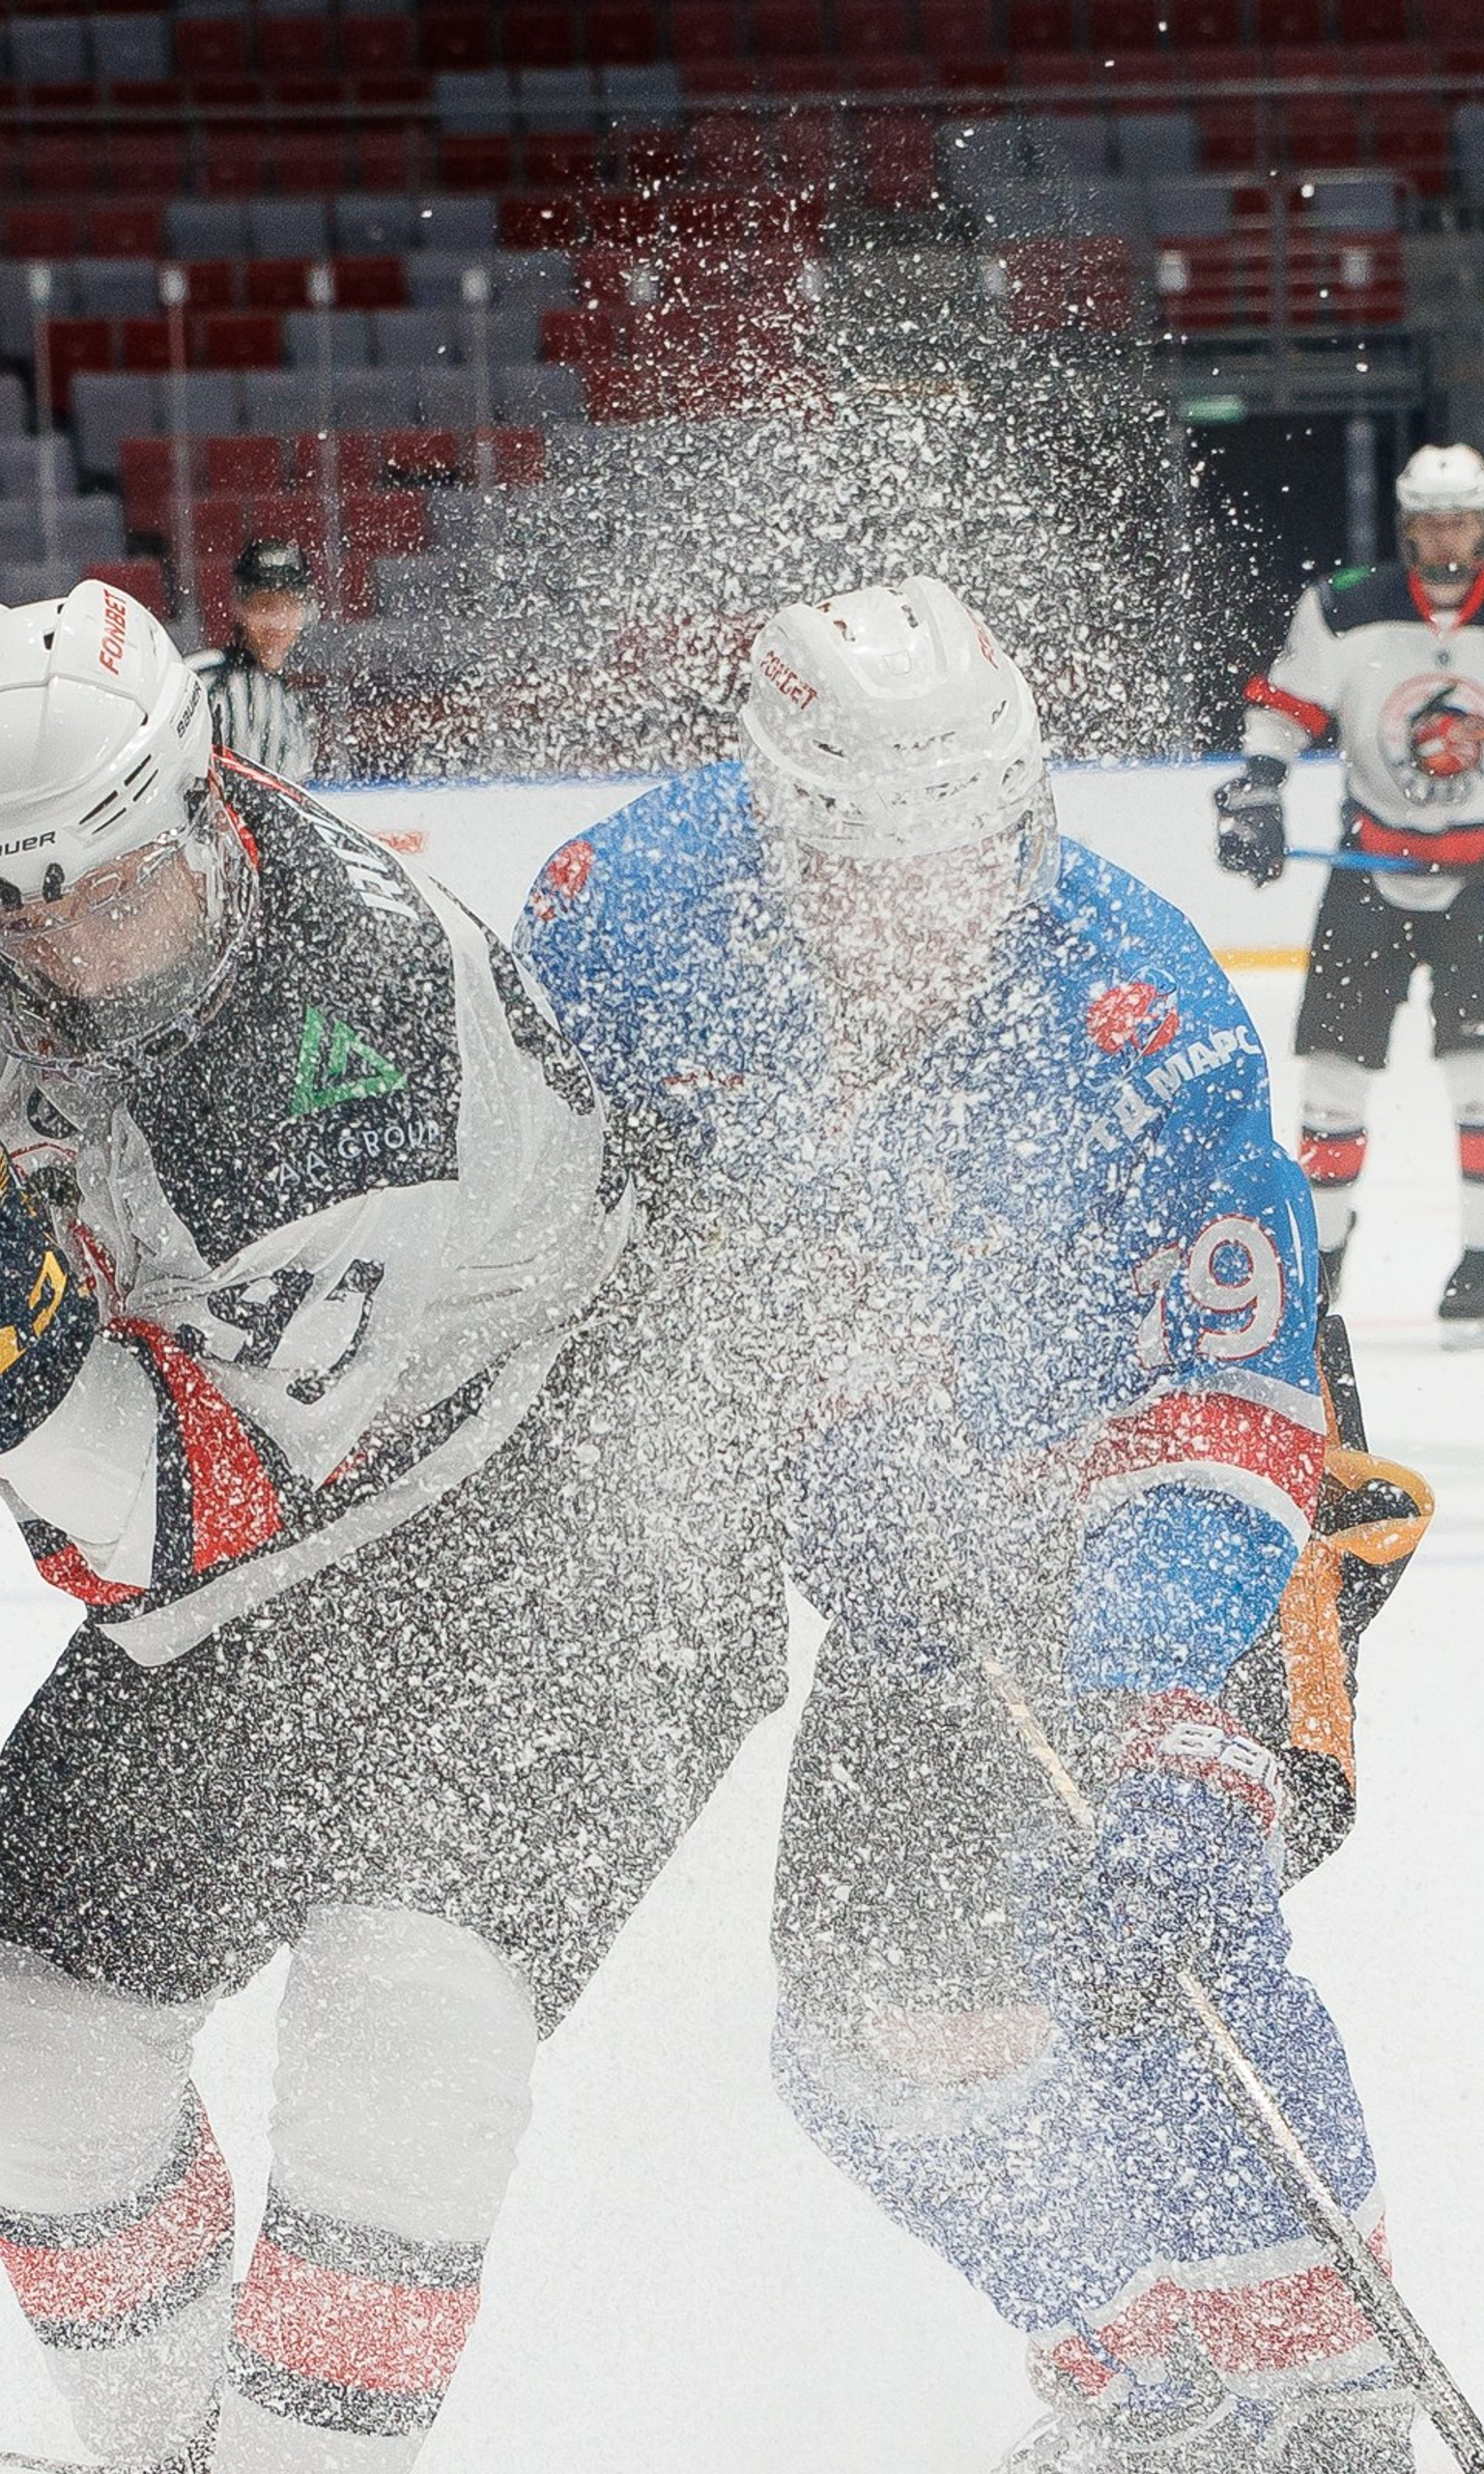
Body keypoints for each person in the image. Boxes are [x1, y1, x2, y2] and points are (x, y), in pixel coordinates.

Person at [0, 577, 774, 2472]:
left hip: (578, 1484)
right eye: (11, 905)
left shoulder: (355, 1037)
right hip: (261, 1486)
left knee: (399, 2014)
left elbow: (178, 1511)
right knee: (20, 2047)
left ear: (193, 806)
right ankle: (171, 2449)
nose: (62, 943)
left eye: (107, 886)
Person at [519, 578, 1422, 2472]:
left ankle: (1332, 2410)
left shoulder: (1137, 1010)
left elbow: (1215, 1397)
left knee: (1154, 1939)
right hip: (900, 1539)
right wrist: (753, 1421)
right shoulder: (619, 921)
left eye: (975, 851)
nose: (935, 908)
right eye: (873, 867)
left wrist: (1165, 1690)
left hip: (1176, 1499)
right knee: (864, 2029)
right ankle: (1151, 2391)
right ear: (775, 825)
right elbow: (549, 1233)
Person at [1213, 441, 1484, 1330]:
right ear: (1408, 528)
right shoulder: (1345, 608)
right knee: (1332, 1084)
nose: (1448, 533)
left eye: (1463, 517)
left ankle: (1480, 1258)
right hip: (1374, 870)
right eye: (1432, 518)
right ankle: (1320, 1259)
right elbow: (1286, 705)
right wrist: (1258, 785)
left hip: (1479, 879)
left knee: (1480, 1080)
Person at [186, 536, 318, 784]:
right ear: (240, 607)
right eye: (265, 605)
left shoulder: (295, 704)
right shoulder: (200, 680)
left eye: (289, 606)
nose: (278, 622)